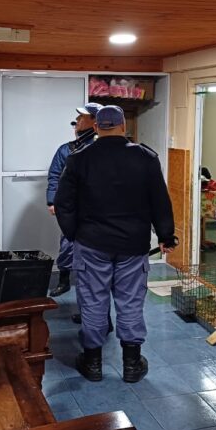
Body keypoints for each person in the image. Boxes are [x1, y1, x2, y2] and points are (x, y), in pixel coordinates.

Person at [54, 105, 177, 383]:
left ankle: (93, 362)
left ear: (97, 127)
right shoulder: (146, 158)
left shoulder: (79, 159)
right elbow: (160, 201)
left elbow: (63, 203)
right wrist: (166, 236)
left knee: (92, 300)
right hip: (133, 246)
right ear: (123, 126)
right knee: (130, 301)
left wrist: (74, 234)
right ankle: (132, 364)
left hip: (91, 244)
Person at [46, 102, 102, 297]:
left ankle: (92, 290)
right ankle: (64, 281)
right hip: (71, 208)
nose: (77, 121)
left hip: (96, 211)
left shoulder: (102, 149)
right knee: (67, 245)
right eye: (77, 118)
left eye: (82, 117)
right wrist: (52, 201)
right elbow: (54, 176)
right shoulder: (66, 150)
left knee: (94, 251)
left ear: (95, 122)